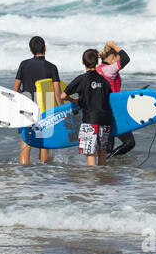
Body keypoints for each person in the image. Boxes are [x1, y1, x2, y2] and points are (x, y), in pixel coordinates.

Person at [13, 36, 62, 165]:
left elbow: (15, 89)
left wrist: (23, 96)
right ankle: (43, 176)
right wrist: (62, 111)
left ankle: (24, 175)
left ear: (30, 50)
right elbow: (57, 94)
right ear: (45, 48)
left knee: (26, 144)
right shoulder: (52, 67)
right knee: (44, 144)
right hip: (46, 107)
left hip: (26, 106)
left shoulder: (23, 65)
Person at [60, 49, 113, 166]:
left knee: (90, 154)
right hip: (105, 122)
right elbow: (110, 98)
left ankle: (92, 182)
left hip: (90, 121)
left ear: (83, 62)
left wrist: (73, 100)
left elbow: (63, 96)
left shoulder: (81, 79)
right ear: (97, 62)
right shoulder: (105, 81)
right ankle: (103, 181)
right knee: (102, 153)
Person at [96, 41, 134, 158]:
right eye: (117, 57)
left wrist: (103, 57)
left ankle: (106, 170)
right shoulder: (110, 70)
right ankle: (110, 161)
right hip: (114, 113)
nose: (118, 61)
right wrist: (113, 46)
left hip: (103, 111)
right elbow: (126, 59)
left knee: (108, 148)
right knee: (129, 143)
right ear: (112, 56)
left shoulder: (99, 68)